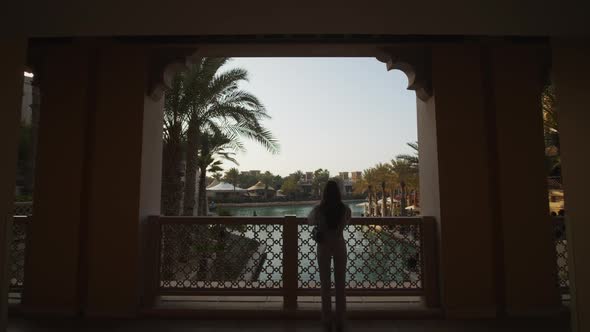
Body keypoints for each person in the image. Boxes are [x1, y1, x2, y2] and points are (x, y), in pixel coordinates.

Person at [307, 180, 351, 332]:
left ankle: (327, 320)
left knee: (325, 284)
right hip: (339, 244)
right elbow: (347, 221)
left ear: (325, 193)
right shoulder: (345, 209)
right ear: (338, 193)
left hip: (324, 245)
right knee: (340, 284)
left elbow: (310, 222)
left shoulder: (319, 209)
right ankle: (340, 320)